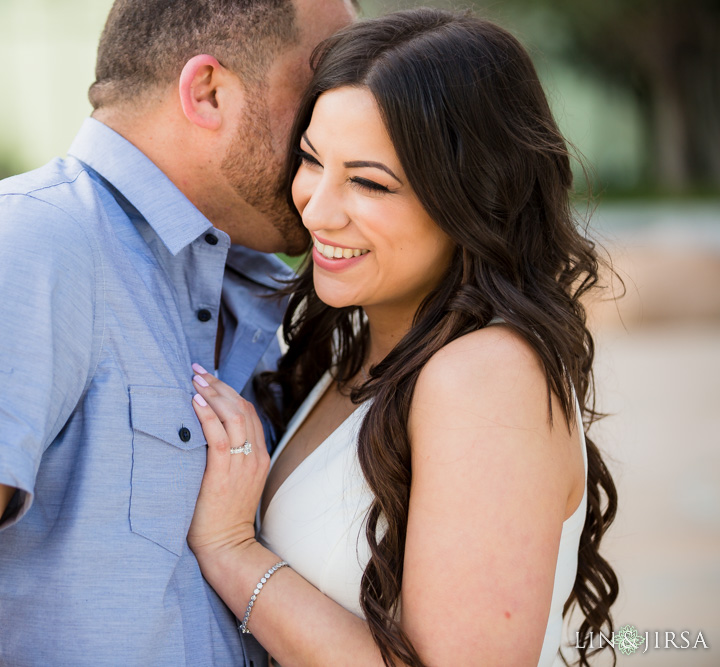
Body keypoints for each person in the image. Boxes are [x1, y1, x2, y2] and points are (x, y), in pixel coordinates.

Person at [0, 1, 357, 665]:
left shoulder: (255, 281)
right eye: (324, 86)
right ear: (209, 93)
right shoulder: (26, 248)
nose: (346, 120)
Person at [185, 9, 619, 667]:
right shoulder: (356, 345)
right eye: (311, 159)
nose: (318, 208)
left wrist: (232, 550)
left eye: (369, 181)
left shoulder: (485, 376)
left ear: (472, 196)